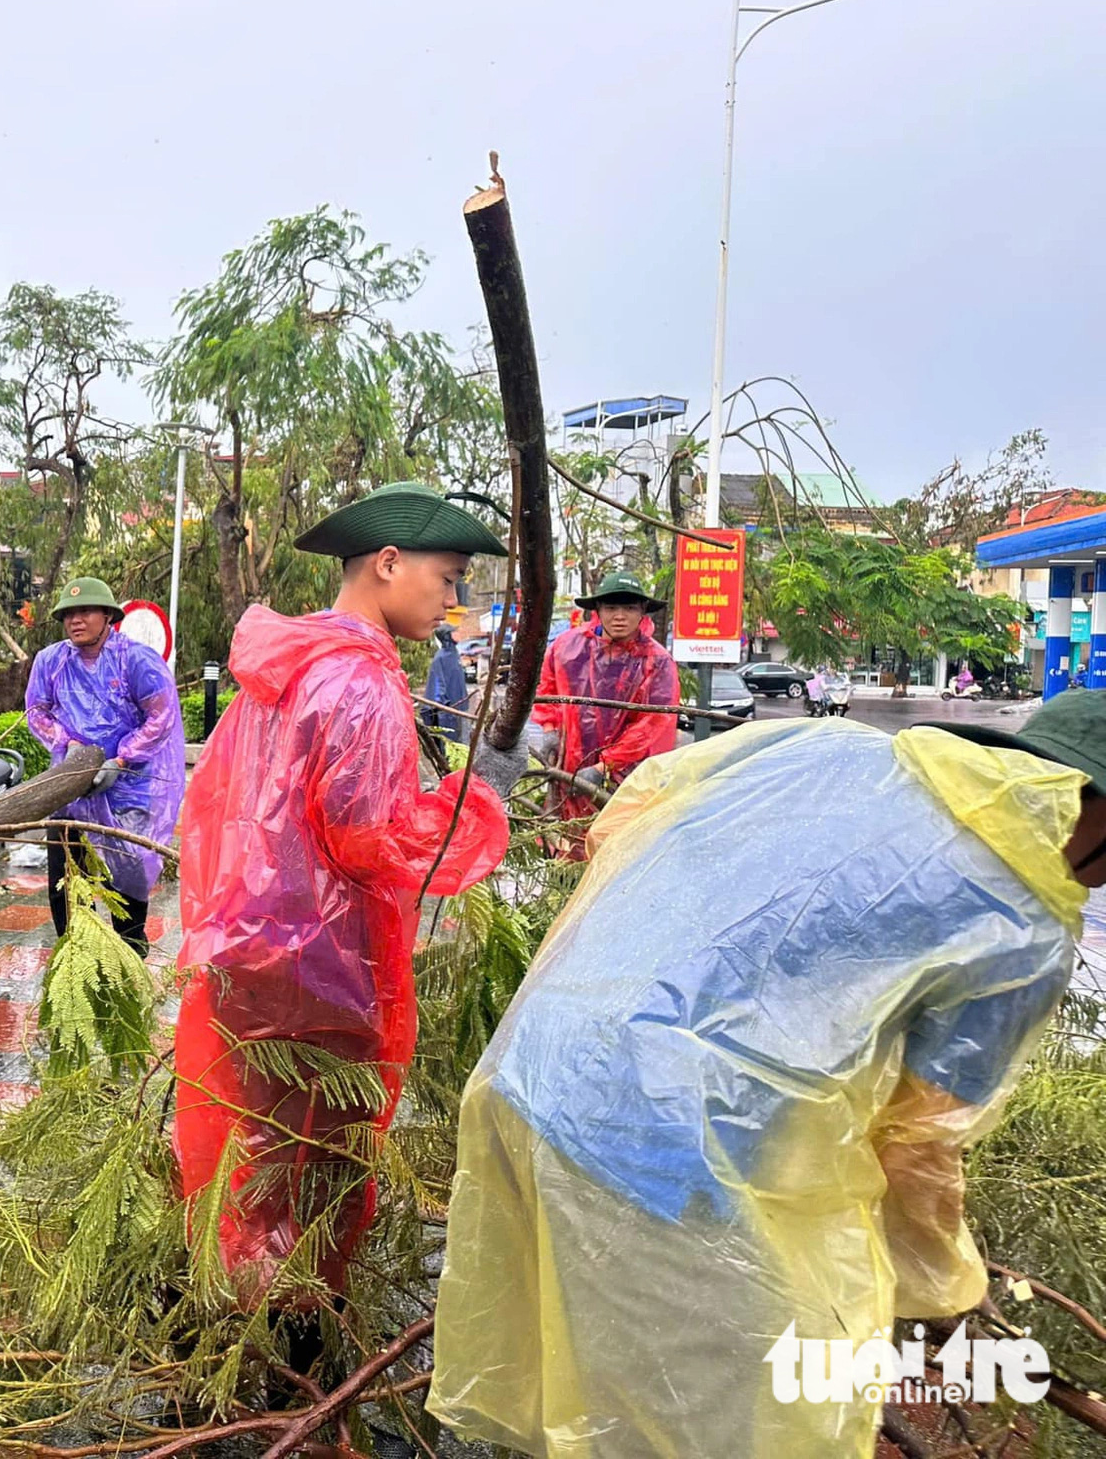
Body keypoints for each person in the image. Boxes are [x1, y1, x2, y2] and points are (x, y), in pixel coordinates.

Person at [427, 690, 1106, 1459]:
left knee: (601, 1392)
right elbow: (919, 1143)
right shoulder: (1024, 923)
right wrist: (944, 1287)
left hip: (534, 1065)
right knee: (720, 1420)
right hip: (670, 1155)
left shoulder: (825, 750)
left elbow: (633, 810)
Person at [173, 482, 523, 1341]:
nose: (454, 600)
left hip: (248, 945)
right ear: (388, 563)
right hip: (322, 966)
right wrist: (480, 806)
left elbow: (220, 810)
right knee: (314, 1162)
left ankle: (225, 1313)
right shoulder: (361, 681)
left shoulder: (286, 666)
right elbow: (375, 838)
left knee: (256, 1149)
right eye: (447, 578)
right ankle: (287, 1340)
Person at [23, 576, 186, 958]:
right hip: (70, 788)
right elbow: (36, 712)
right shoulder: (51, 661)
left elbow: (161, 717)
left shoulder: (136, 660)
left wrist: (122, 757)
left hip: (126, 787)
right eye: (68, 614)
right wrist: (69, 743)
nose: (75, 621)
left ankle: (129, 956)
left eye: (85, 611)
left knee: (127, 877)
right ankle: (75, 960)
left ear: (108, 616)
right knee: (67, 879)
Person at [531, 571, 678, 836]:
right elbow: (547, 687)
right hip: (568, 768)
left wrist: (604, 766)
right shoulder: (568, 647)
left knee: (615, 845)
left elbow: (653, 724)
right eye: (611, 607)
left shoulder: (656, 661)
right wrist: (550, 728)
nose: (619, 616)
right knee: (566, 842)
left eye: (629, 607)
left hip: (626, 779)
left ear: (643, 610)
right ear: (598, 609)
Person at [420, 625, 469, 743]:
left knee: (463, 739)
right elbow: (436, 684)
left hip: (461, 706)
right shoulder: (441, 658)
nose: (458, 634)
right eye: (454, 632)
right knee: (450, 741)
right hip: (449, 709)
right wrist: (442, 707)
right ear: (447, 636)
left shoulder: (454, 654)